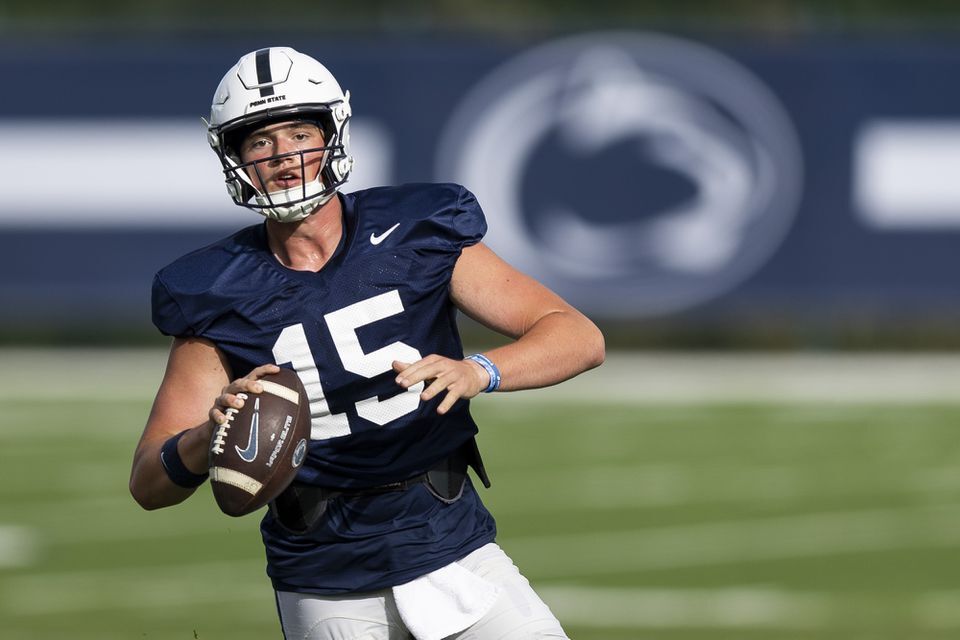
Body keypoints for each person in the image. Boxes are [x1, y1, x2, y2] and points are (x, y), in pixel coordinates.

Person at [130, 46, 604, 640]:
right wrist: (208, 437)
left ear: (333, 135)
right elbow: (148, 482)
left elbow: (576, 334)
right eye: (260, 142)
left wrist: (479, 369)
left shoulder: (418, 230)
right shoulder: (214, 289)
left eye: (300, 132)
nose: (283, 156)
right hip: (322, 581)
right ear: (235, 158)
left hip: (453, 550)